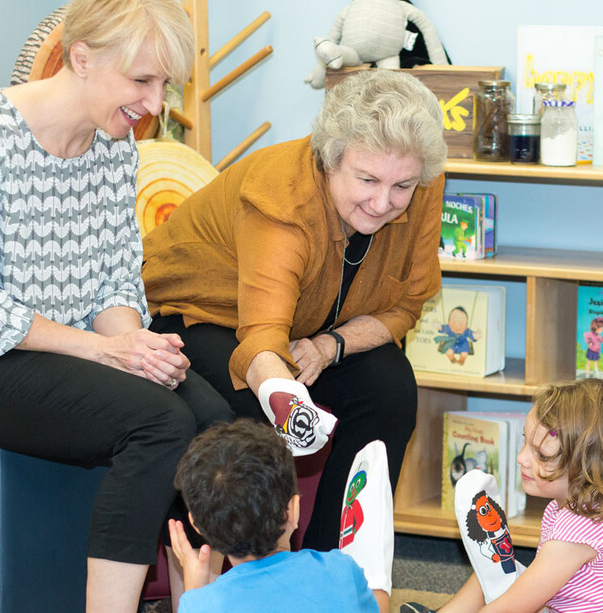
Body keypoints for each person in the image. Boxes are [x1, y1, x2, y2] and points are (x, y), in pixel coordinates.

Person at [0, 1, 231, 610]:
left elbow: (116, 283)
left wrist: (136, 346)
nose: (154, 105)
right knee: (160, 423)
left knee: (210, 417)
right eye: (142, 81)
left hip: (67, 346)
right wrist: (106, 349)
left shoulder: (114, 146)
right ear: (81, 58)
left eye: (163, 86)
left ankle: (199, 604)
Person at [141, 68, 448, 549]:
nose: (383, 202)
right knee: (247, 410)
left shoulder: (423, 181)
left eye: (401, 186)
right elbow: (262, 338)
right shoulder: (280, 200)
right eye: (366, 179)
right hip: (204, 316)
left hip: (316, 328)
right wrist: (285, 400)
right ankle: (256, 572)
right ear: (331, 160)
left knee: (390, 387)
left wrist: (331, 347)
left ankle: (337, 564)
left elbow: (408, 303)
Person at [405, 378, 603, 612]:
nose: (521, 459)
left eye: (542, 455)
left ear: (589, 465)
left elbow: (511, 609)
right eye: (525, 442)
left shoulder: (580, 528)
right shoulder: (575, 510)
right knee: (494, 567)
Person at [168, 419, 383, 613]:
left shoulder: (202, 604)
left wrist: (194, 591)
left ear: (198, 526)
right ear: (293, 509)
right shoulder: (341, 568)